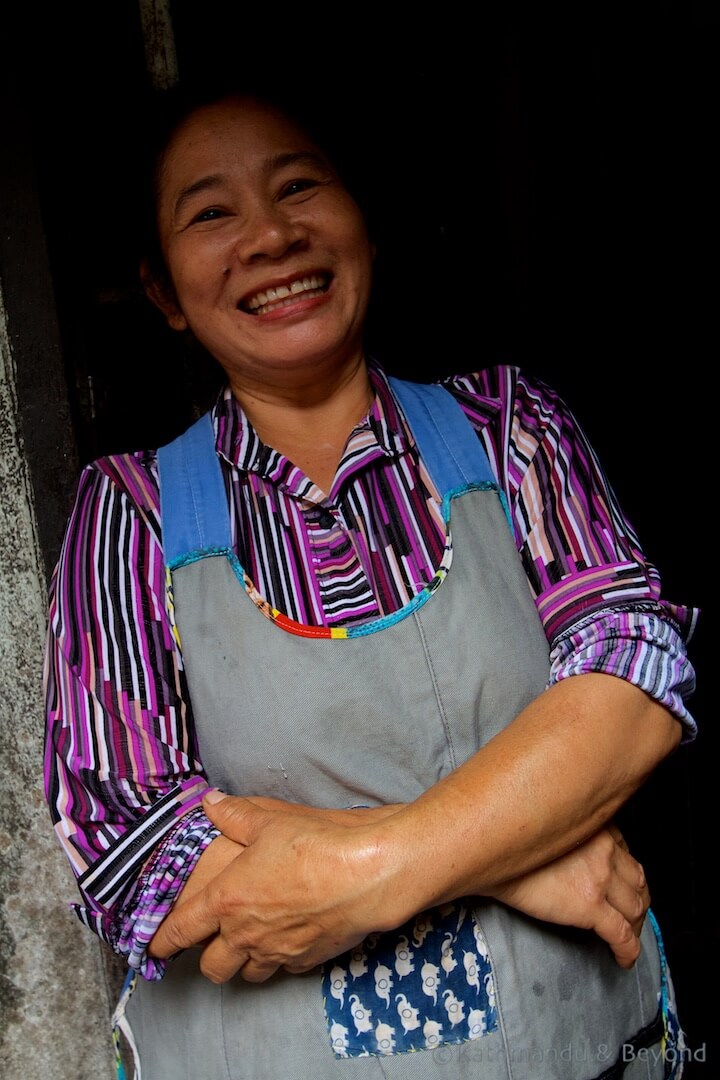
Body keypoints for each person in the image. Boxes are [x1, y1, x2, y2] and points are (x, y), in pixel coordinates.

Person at [43, 84, 699, 1080]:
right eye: (212, 212)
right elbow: (141, 855)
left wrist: (376, 871)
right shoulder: (128, 514)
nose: (270, 235)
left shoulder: (508, 427)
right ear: (166, 293)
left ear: (366, 225)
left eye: (299, 184)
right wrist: (528, 855)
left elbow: (634, 677)